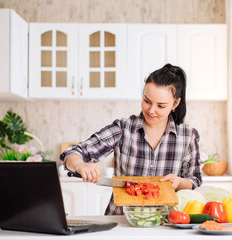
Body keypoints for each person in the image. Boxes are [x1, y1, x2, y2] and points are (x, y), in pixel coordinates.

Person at [59, 63, 202, 215]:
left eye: (161, 106)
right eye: (147, 101)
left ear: (175, 103)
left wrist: (179, 182)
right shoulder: (123, 128)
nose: (151, 110)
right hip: (121, 221)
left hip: (165, 223)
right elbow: (72, 153)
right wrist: (80, 165)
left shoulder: (188, 136)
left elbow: (195, 180)